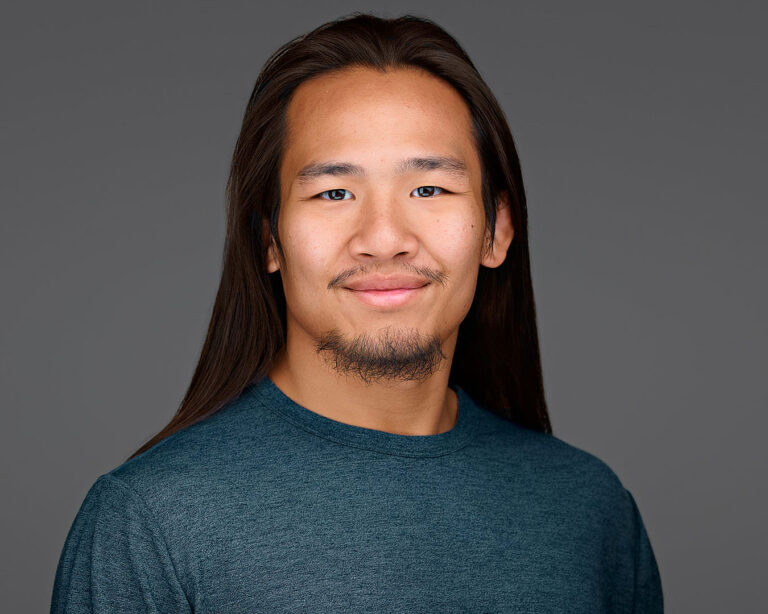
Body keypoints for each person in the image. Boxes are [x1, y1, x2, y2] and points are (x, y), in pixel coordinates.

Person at [50, 12, 663, 613]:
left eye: (429, 189)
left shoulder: (591, 509)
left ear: (496, 230)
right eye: (334, 193)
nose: (384, 237)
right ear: (269, 238)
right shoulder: (148, 522)